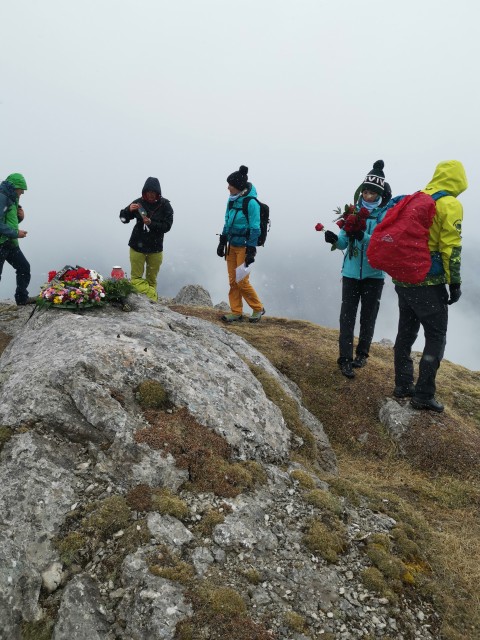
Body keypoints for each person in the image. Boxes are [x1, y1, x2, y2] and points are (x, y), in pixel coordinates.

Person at [393, 160, 467, 413]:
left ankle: (403, 385)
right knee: (435, 336)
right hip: (428, 280)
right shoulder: (449, 204)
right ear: (459, 180)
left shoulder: (417, 198)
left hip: (403, 277)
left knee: (406, 331)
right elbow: (451, 247)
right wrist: (454, 282)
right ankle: (424, 394)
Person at [325, 160, 390, 379]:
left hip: (374, 275)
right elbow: (344, 243)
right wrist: (334, 239)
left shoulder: (384, 216)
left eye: (372, 193)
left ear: (379, 194)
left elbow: (382, 244)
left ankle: (362, 353)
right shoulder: (352, 212)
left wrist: (362, 236)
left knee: (368, 316)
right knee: (347, 317)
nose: (368, 196)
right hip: (351, 273)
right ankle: (345, 359)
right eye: (365, 191)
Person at [217, 165, 265, 323]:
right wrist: (222, 241)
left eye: (230, 185)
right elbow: (227, 220)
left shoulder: (251, 203)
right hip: (232, 246)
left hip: (244, 247)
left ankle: (258, 308)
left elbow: (255, 227)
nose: (227, 187)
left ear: (238, 186)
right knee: (233, 281)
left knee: (241, 281)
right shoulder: (231, 201)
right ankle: (236, 312)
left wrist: (251, 250)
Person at [119, 177, 173, 301]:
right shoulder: (138, 203)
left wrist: (150, 223)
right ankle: (153, 298)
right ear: (144, 192)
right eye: (148, 192)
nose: (150, 195)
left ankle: (150, 303)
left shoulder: (165, 205)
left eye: (153, 193)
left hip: (155, 249)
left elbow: (167, 226)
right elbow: (123, 218)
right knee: (136, 279)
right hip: (137, 247)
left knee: (151, 281)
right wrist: (128, 210)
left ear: (158, 193)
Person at [0, 173, 34, 306]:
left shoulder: (12, 198)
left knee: (24, 267)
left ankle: (22, 299)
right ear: (15, 187)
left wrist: (20, 218)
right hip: (2, 243)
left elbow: (8, 220)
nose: (23, 192)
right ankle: (22, 298)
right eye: (22, 189)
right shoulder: (2, 197)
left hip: (10, 243)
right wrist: (15, 233)